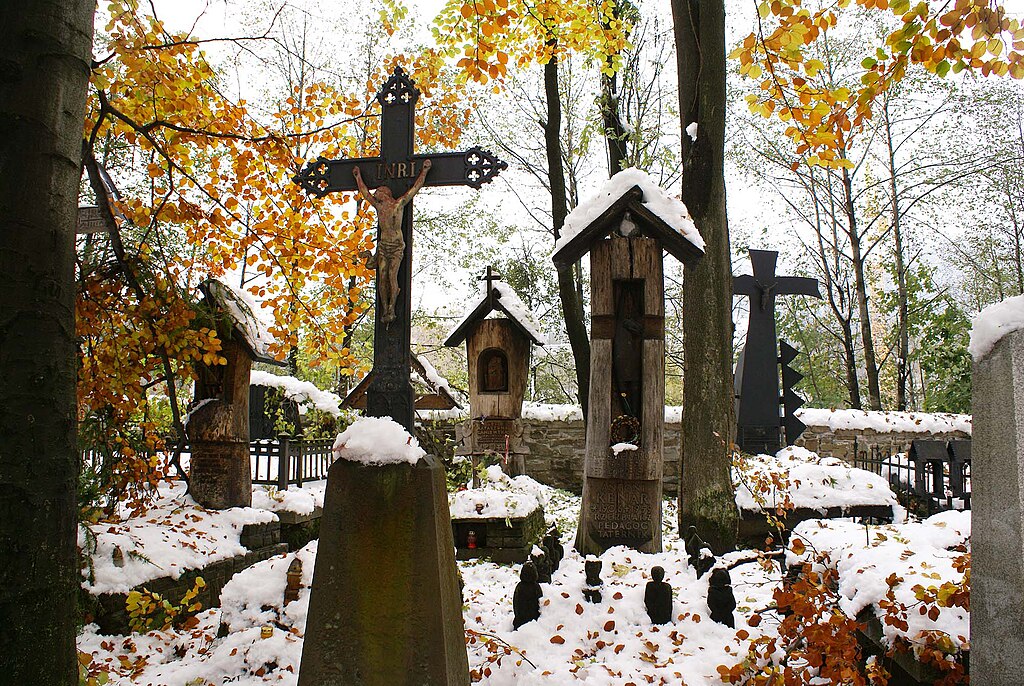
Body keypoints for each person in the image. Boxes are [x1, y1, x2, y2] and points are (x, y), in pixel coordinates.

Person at [352, 159, 431, 326]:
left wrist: (424, 170)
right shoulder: (379, 207)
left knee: (391, 276)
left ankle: (391, 307)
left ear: (385, 193)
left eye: (378, 192)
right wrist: (358, 176)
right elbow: (365, 193)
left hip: (396, 247)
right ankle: (384, 308)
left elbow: (415, 188)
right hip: (383, 247)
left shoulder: (398, 204)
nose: (375, 195)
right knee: (382, 278)